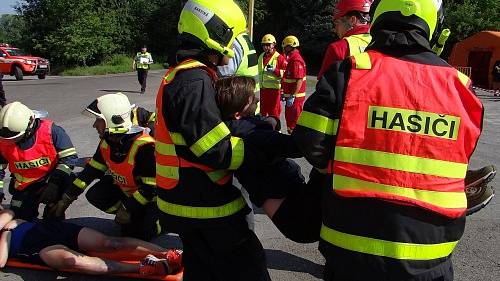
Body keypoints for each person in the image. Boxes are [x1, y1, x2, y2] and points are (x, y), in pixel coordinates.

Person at [293, 0, 486, 280]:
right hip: (429, 255)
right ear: (432, 24)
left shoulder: (350, 72)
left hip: (351, 248)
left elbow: (310, 140)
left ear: (381, 17)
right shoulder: (460, 87)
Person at [154, 0, 270, 280]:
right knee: (247, 265)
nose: (233, 45)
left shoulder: (185, 75)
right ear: (215, 33)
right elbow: (213, 148)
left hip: (186, 198)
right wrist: (262, 151)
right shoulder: (194, 80)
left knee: (203, 268)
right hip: (204, 203)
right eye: (230, 36)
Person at [214, 76, 322, 243]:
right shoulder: (253, 136)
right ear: (237, 114)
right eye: (251, 99)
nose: (257, 99)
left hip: (295, 210)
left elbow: (261, 127)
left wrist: (271, 121)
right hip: (298, 219)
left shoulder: (236, 127)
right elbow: (298, 146)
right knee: (325, 172)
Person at [51, 93, 159, 241]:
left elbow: (151, 188)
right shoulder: (107, 143)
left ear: (113, 120)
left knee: (140, 234)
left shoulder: (144, 147)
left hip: (153, 199)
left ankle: (161, 223)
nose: (94, 125)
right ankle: (132, 217)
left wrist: (128, 208)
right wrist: (66, 198)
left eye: (99, 120)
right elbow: (89, 173)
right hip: (131, 193)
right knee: (96, 194)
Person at [0, 207, 182, 276]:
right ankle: (142, 267)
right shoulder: (6, 231)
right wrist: (7, 232)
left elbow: (8, 212)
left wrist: (9, 221)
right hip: (35, 247)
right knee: (74, 261)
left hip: (48, 229)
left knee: (110, 243)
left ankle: (167, 253)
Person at [0, 102, 77, 221]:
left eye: (16, 137)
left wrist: (54, 185)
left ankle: (54, 209)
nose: (12, 141)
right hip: (24, 186)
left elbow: (69, 160)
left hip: (52, 180)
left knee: (53, 219)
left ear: (29, 125)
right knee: (21, 219)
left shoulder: (52, 131)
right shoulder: (4, 139)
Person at [318, 0, 372, 80]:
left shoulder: (339, 48)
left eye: (337, 23)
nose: (335, 30)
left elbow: (324, 87)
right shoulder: (381, 41)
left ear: (352, 20)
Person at [258, 34, 287, 119]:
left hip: (274, 91)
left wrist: (275, 71)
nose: (265, 47)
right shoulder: (261, 57)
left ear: (273, 44)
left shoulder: (279, 58)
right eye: (264, 45)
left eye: (268, 44)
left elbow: (287, 74)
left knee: (274, 113)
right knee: (263, 112)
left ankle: (276, 130)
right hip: (263, 89)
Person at [281, 35, 307, 134]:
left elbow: (299, 80)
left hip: (295, 99)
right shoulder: (292, 59)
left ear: (289, 47)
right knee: (290, 123)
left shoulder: (296, 60)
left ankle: (294, 145)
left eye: (285, 46)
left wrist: (292, 95)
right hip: (291, 98)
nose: (284, 49)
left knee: (294, 124)